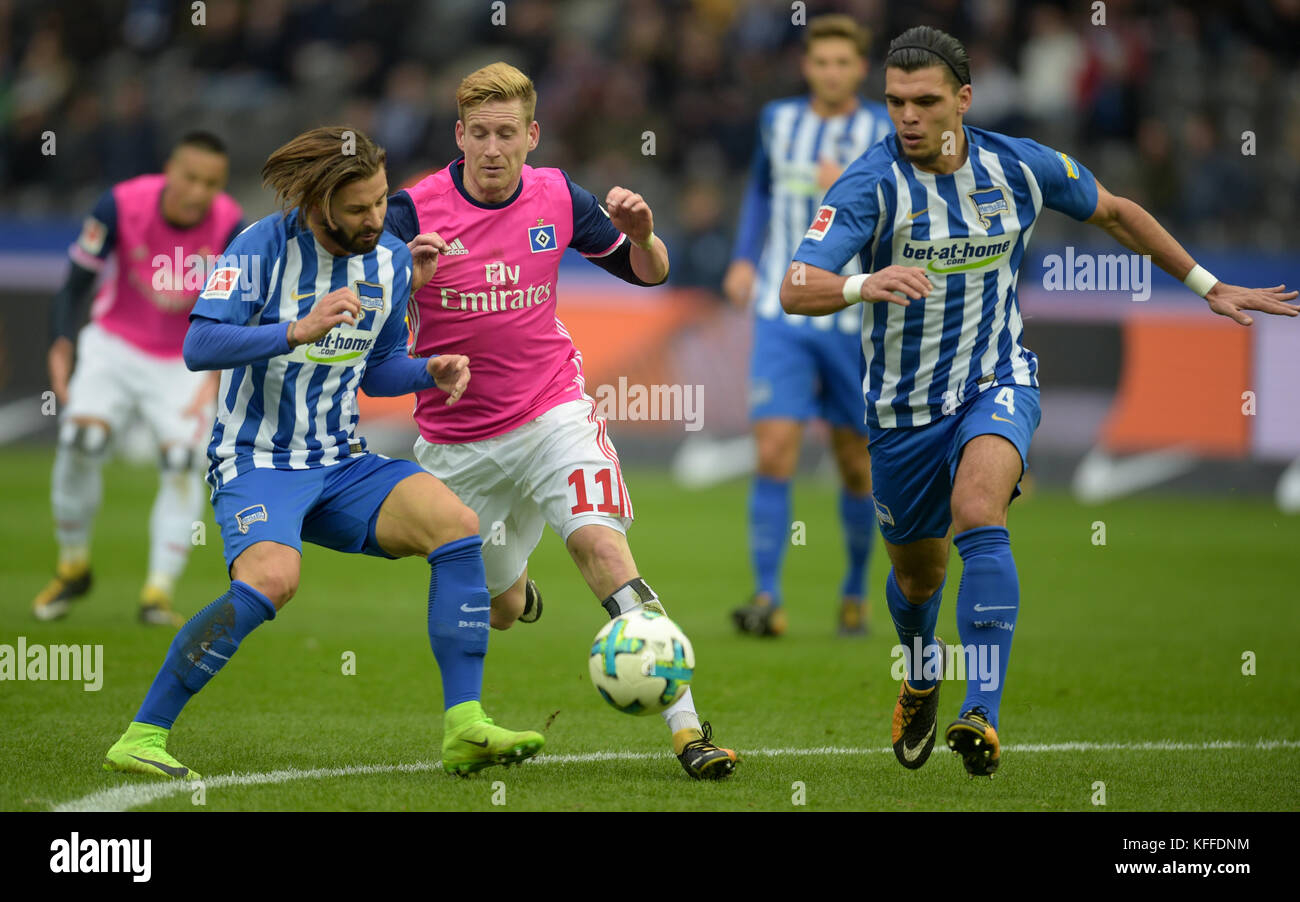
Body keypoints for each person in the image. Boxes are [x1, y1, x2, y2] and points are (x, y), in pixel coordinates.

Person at [782, 26, 1298, 777]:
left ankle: (982, 713)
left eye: (925, 102)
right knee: (918, 579)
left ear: (964, 99)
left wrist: (1208, 286)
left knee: (980, 511)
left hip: (997, 380)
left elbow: (1116, 211)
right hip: (900, 413)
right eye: (895, 103)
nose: (908, 119)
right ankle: (922, 669)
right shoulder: (871, 183)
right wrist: (865, 281)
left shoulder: (1017, 166)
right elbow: (797, 286)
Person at [103, 126, 543, 780]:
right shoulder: (260, 248)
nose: (375, 219)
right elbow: (200, 344)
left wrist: (430, 372)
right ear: (318, 203)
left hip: (341, 462)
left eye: (380, 202)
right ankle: (141, 735)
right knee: (273, 581)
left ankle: (465, 725)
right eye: (359, 208)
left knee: (458, 529)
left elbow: (380, 367)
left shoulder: (392, 260)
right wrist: (294, 330)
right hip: (256, 459)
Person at [385, 62, 737, 780]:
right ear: (459, 135)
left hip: (553, 414)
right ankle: (521, 591)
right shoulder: (411, 212)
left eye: (505, 134)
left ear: (532, 136)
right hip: (457, 445)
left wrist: (643, 236)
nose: (491, 149)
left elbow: (649, 272)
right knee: (505, 608)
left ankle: (689, 730)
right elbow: (367, 317)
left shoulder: (556, 196)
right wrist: (403, 282)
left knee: (602, 552)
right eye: (478, 134)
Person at [725, 14, 893, 639]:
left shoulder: (883, 130)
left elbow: (899, 219)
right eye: (820, 62)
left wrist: (842, 193)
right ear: (807, 66)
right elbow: (762, 193)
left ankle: (854, 590)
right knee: (773, 452)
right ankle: (767, 597)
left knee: (856, 465)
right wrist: (745, 260)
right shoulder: (778, 121)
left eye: (842, 63)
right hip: (780, 311)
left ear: (858, 69)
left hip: (853, 317)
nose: (830, 72)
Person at [35, 132, 243, 626]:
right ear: (170, 169)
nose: (198, 191)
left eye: (210, 183)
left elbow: (238, 313)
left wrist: (218, 377)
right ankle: (73, 563)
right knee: (82, 439)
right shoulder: (119, 204)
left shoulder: (232, 224)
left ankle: (157, 592)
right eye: (191, 177)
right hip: (113, 346)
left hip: (184, 360)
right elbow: (75, 284)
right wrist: (61, 343)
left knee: (181, 460)